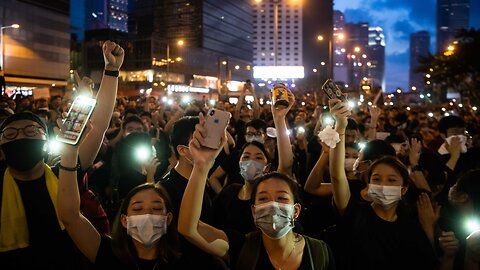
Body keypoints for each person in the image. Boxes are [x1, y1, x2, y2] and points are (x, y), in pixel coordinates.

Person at [0, 40, 124, 270]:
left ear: (46, 141)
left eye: (30, 131)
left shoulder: (65, 173)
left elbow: (98, 126)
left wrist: (111, 71)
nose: (21, 137)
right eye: (11, 134)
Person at [178, 112, 334, 270]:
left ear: (296, 210)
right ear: (253, 211)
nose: (273, 204)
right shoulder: (242, 247)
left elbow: (286, 164)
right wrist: (201, 166)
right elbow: (189, 229)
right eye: (263, 199)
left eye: (281, 198)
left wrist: (279, 119)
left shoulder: (318, 253)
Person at [328, 98, 438, 269]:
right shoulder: (355, 214)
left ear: (404, 189)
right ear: (368, 183)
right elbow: (336, 175)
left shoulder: (411, 229)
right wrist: (340, 127)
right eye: (376, 179)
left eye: (391, 180)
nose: (383, 185)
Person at [58, 128, 180, 269]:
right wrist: (69, 153)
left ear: (168, 218)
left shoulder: (181, 263)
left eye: (157, 208)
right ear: (124, 220)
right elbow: (70, 216)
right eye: (138, 208)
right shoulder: (109, 254)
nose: (147, 215)